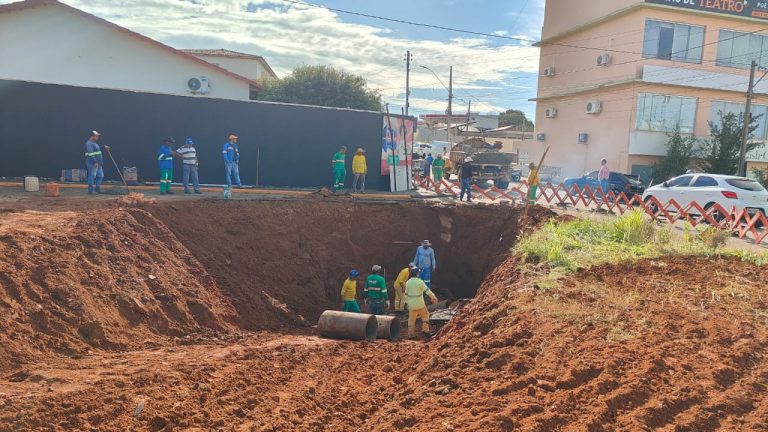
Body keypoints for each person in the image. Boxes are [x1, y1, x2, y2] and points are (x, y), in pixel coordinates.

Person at [404, 267, 438, 338]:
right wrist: (433, 297)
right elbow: (427, 291)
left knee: (411, 319)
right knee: (425, 316)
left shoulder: (408, 282)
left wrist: (407, 303)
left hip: (411, 305)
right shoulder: (420, 282)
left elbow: (406, 294)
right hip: (420, 304)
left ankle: (411, 334)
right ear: (417, 274)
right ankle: (425, 331)